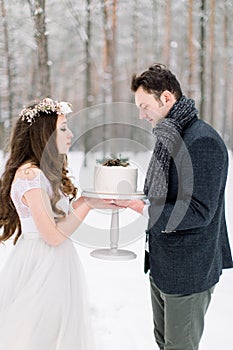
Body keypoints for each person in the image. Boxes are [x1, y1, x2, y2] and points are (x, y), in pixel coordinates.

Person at [115, 64, 233, 350]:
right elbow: (168, 196)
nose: (142, 115)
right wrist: (140, 200)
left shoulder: (202, 140)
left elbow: (199, 211)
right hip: (161, 264)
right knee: (163, 341)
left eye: (145, 106)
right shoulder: (169, 135)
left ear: (166, 99)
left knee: (180, 346)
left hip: (188, 270)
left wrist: (141, 208)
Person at [0, 97, 118, 350]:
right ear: (45, 133)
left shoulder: (41, 172)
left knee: (55, 335)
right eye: (63, 128)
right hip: (42, 264)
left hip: (56, 261)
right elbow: (52, 236)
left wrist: (90, 200)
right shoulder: (31, 176)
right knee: (40, 336)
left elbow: (58, 221)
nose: (70, 133)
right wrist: (85, 206)